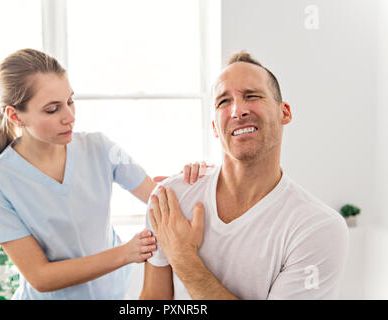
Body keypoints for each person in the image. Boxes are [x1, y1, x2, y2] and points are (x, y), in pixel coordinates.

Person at [0, 48, 207, 299]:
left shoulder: (100, 148)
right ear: (15, 115)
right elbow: (40, 277)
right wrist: (126, 253)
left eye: (70, 101)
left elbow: (158, 197)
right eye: (52, 109)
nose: (70, 117)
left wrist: (195, 181)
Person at [140, 51, 349, 300]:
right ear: (216, 128)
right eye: (223, 102)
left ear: (285, 112)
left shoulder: (318, 227)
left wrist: (183, 258)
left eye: (252, 96)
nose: (238, 111)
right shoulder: (171, 199)